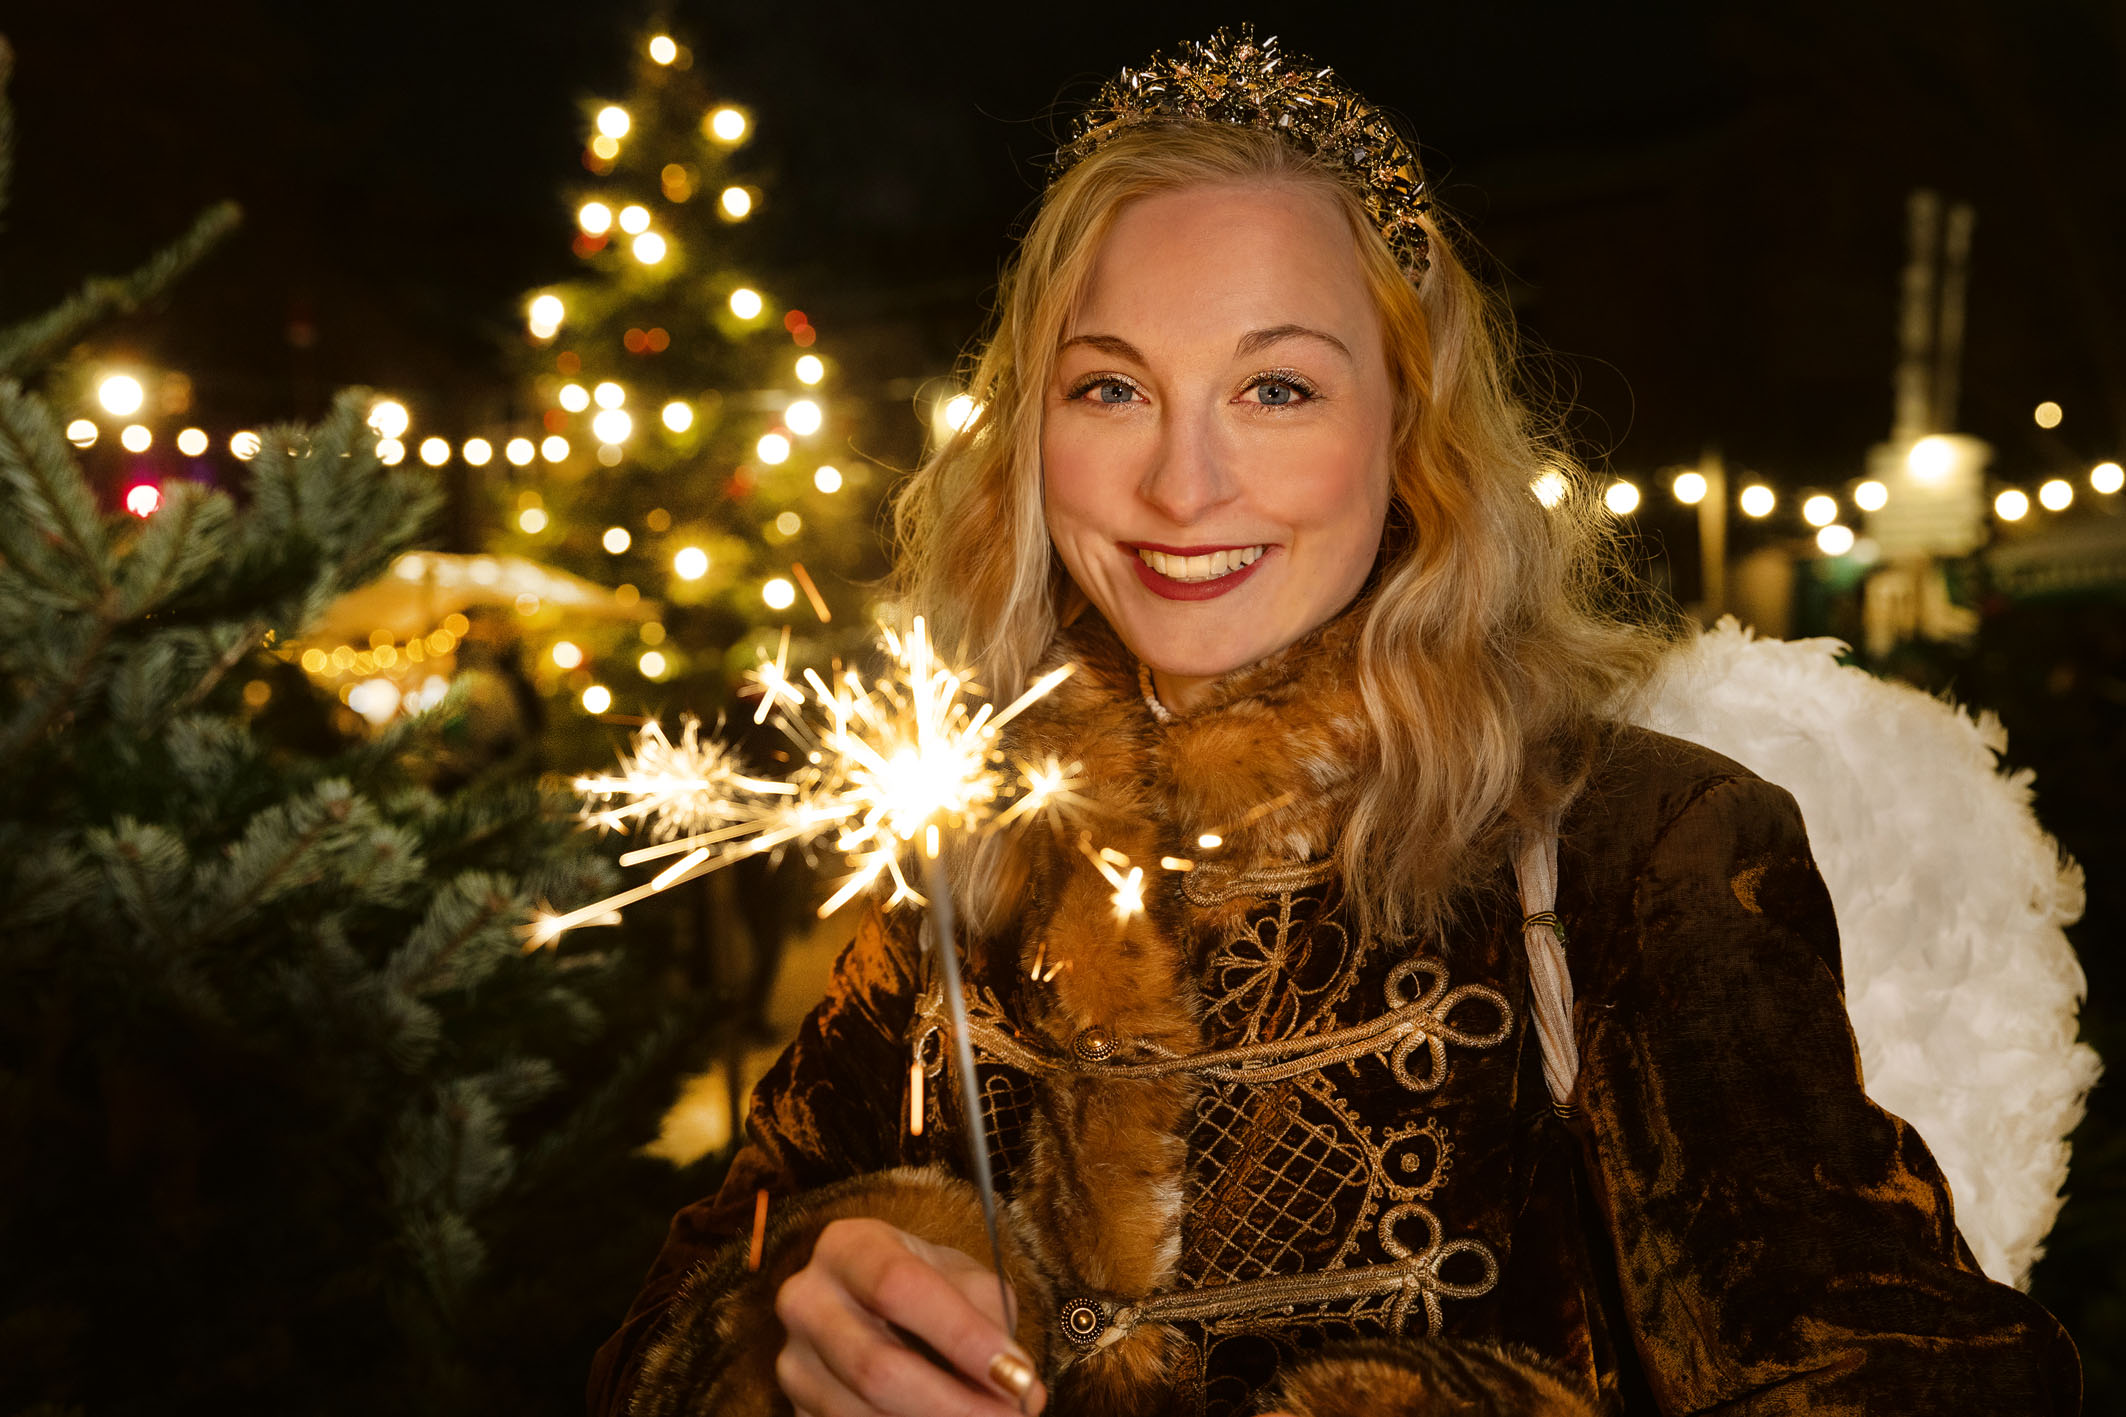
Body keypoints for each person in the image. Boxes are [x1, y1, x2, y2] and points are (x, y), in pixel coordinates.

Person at [590, 28, 2080, 1417]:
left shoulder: (1635, 847)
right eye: (1111, 386)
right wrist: (794, 1319)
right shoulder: (968, 853)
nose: (1182, 488)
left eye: (1277, 386)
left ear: (1408, 427)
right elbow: (653, 1339)